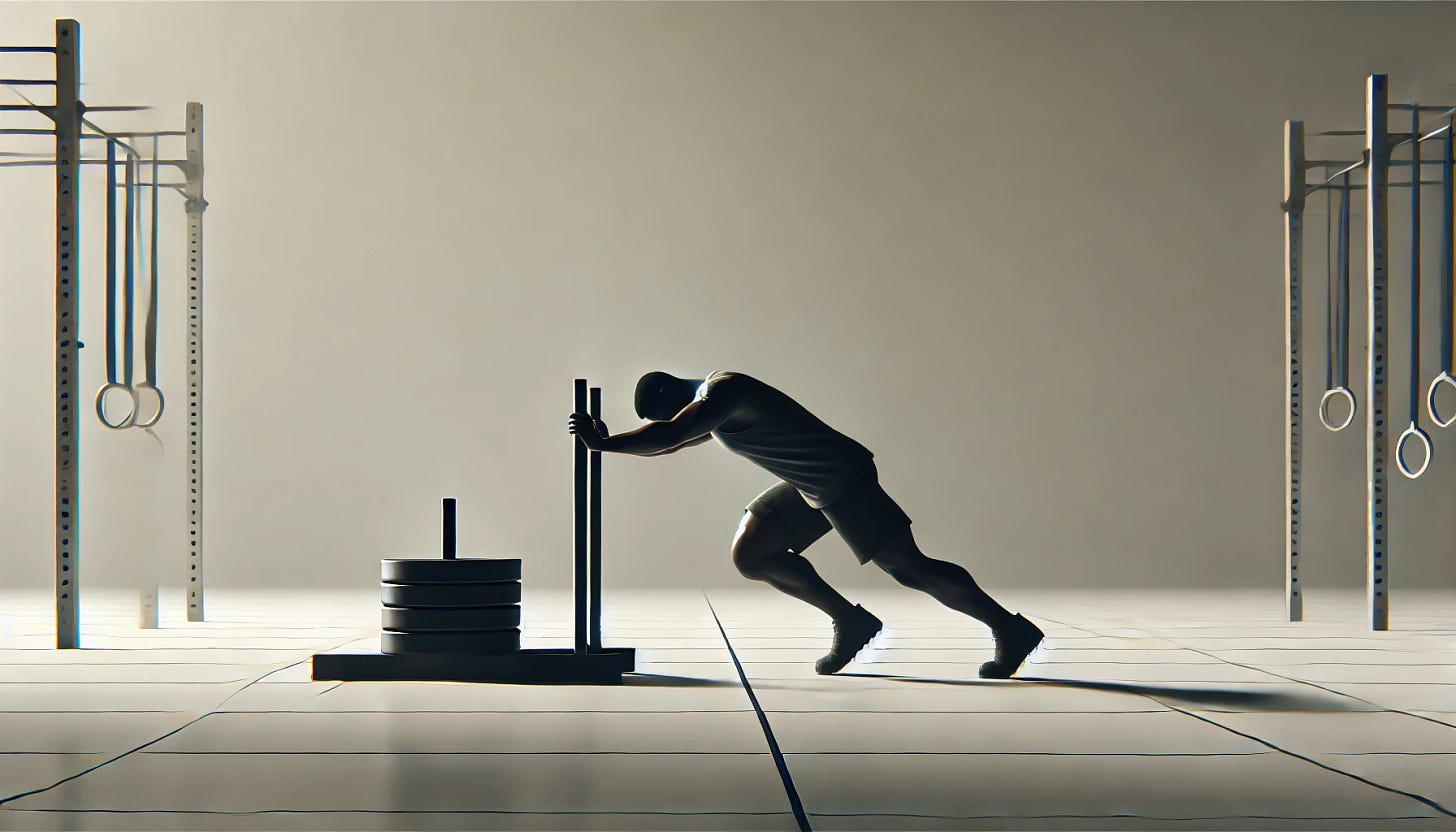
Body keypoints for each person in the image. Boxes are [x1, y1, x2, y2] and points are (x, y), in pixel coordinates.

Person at [567, 370, 1044, 678]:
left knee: (909, 569)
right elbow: (670, 441)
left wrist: (604, 445)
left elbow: (669, 433)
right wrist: (612, 442)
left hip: (840, 477)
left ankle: (1010, 629)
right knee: (751, 554)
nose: (680, 419)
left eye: (672, 412)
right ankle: (850, 621)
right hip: (811, 484)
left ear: (675, 397)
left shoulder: (723, 392)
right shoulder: (712, 411)